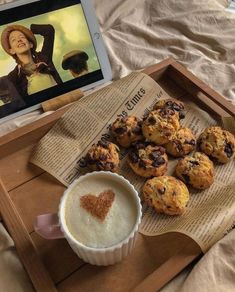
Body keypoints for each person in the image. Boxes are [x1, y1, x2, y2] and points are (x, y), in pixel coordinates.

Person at [0, 24, 62, 98]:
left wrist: (26, 29)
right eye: (13, 40)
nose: (19, 40)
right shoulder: (13, 76)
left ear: (30, 44)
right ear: (12, 50)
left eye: (22, 37)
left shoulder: (44, 58)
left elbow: (49, 30)